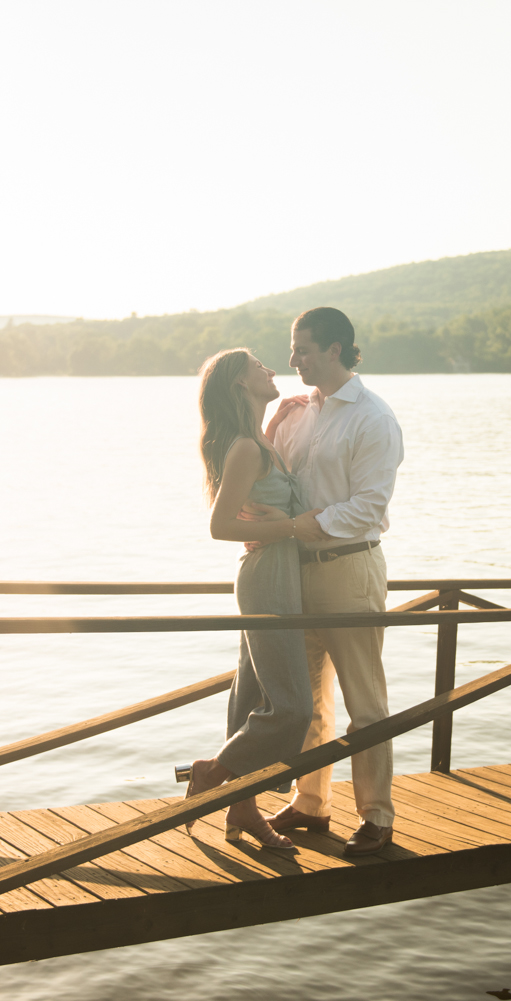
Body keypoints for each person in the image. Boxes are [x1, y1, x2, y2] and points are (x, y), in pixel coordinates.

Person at [258, 306, 405, 857]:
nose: (291, 359)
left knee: (364, 700)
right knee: (305, 697)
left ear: (334, 350)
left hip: (349, 568)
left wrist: (297, 528)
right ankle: (311, 804)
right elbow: (272, 480)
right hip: (293, 573)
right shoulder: (297, 413)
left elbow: (368, 507)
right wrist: (269, 424)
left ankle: (377, 815)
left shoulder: (372, 417)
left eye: (301, 349)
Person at [183, 348, 327, 851]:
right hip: (267, 577)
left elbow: (254, 492)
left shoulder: (257, 443)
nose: (271, 371)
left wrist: (275, 423)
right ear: (240, 386)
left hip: (276, 573)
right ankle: (212, 772)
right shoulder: (246, 448)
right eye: (258, 367)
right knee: (292, 707)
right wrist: (293, 526)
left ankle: (243, 811)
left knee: (253, 698)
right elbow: (220, 525)